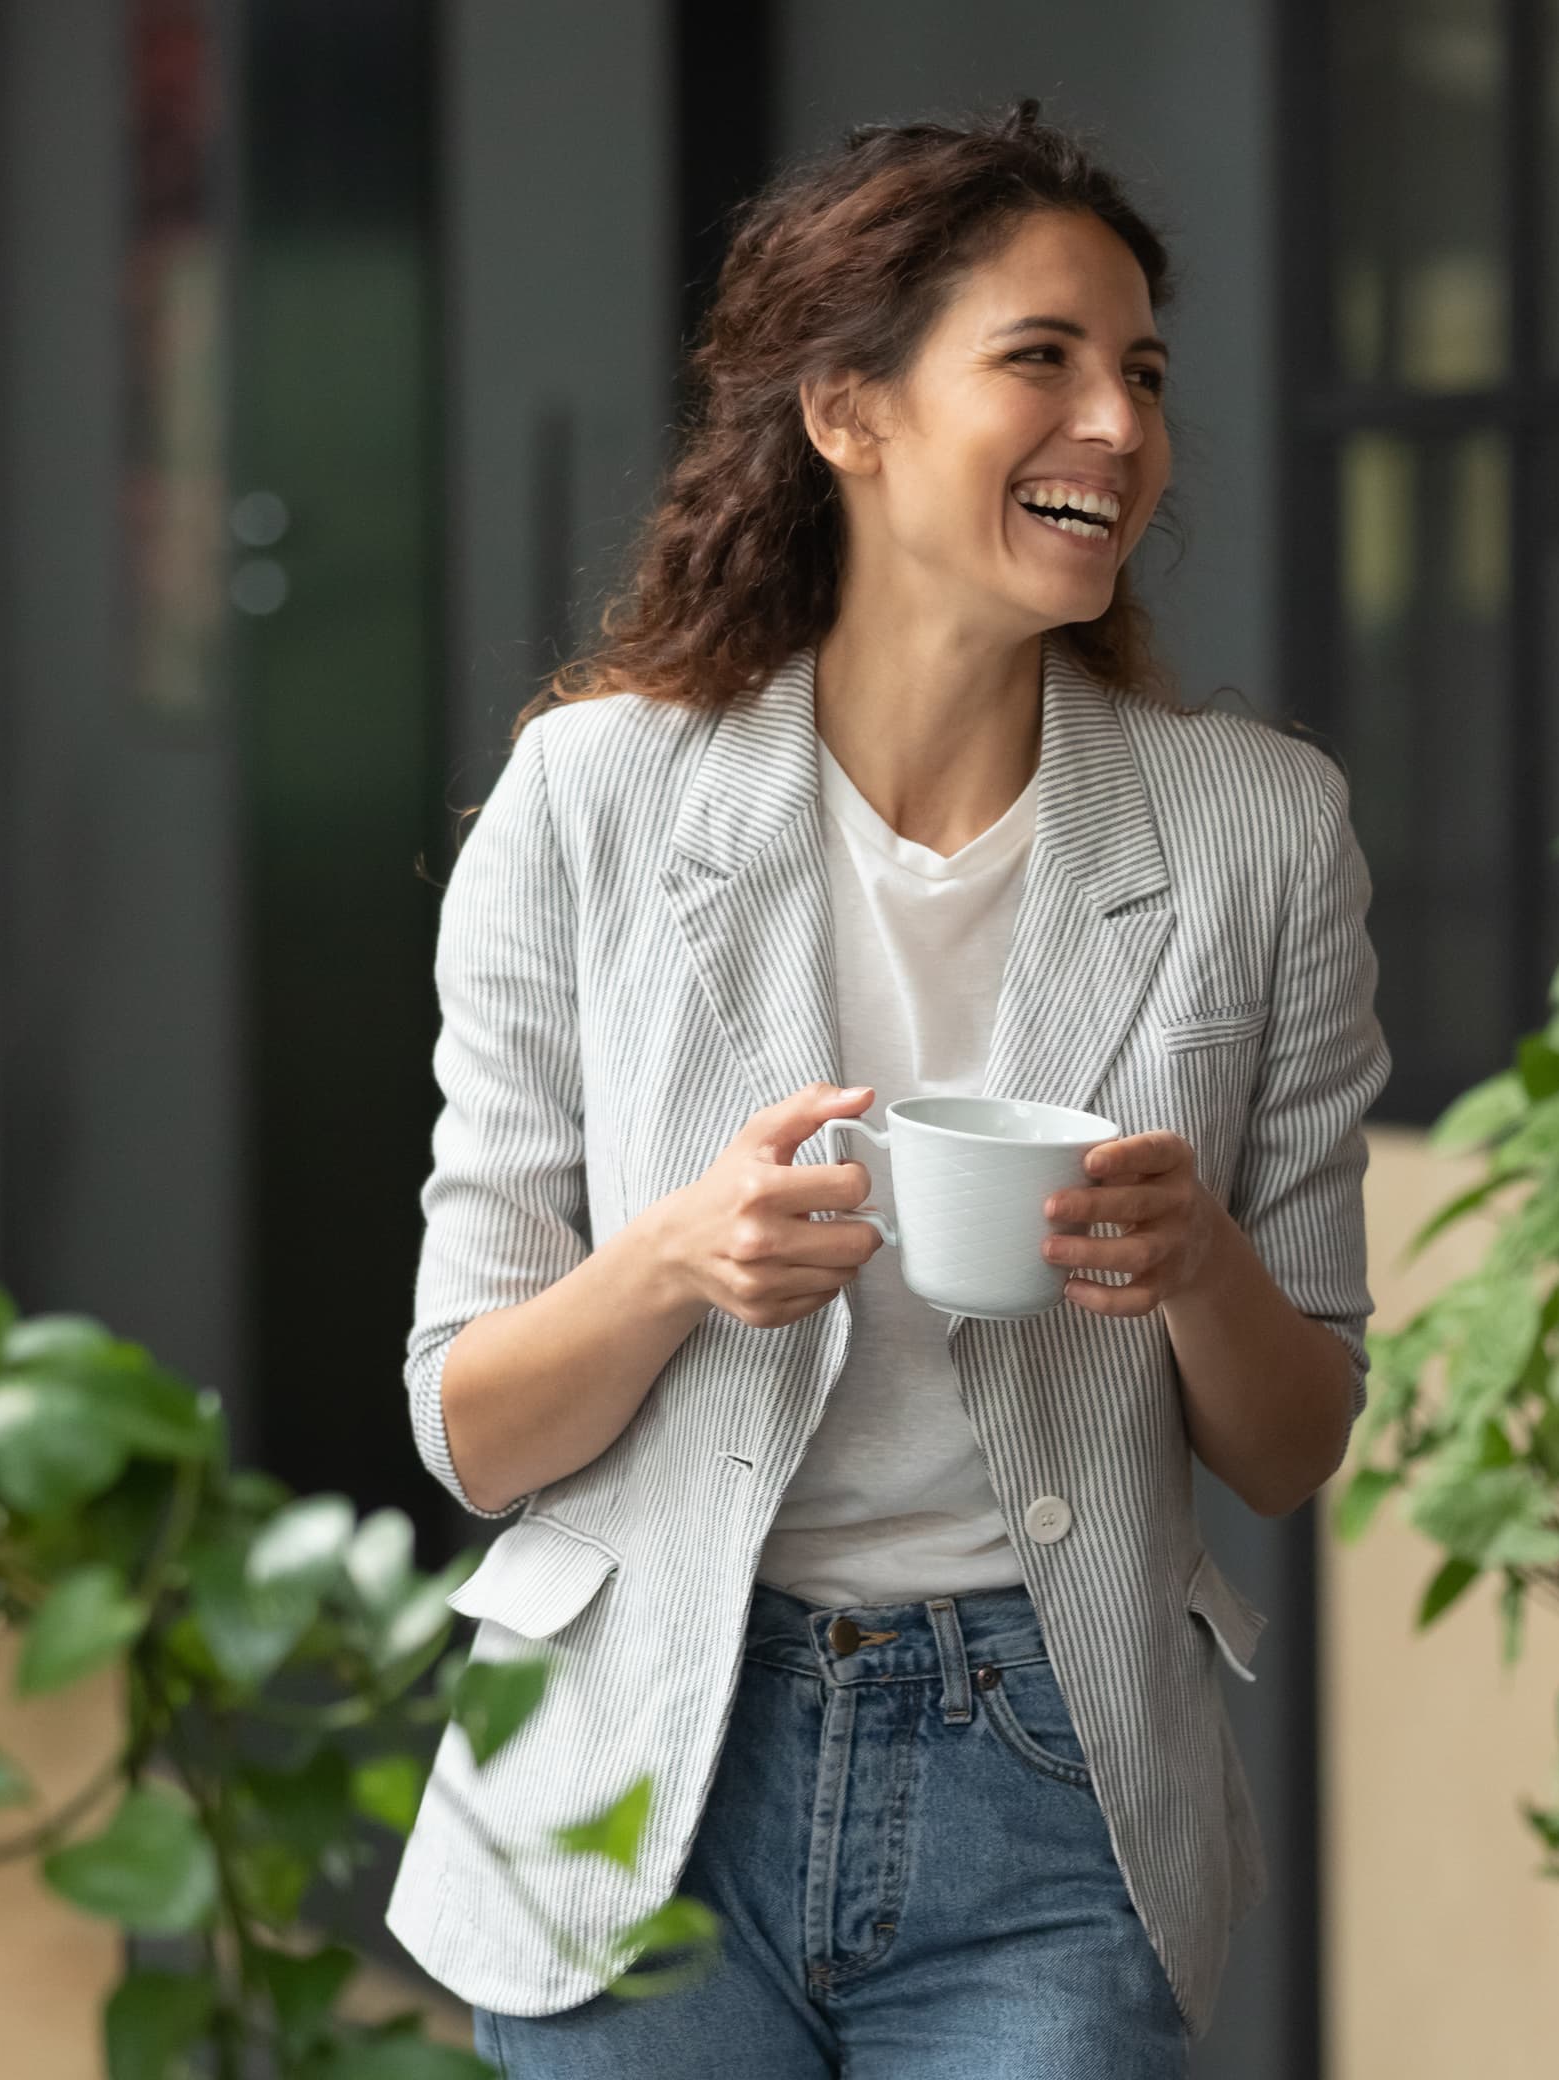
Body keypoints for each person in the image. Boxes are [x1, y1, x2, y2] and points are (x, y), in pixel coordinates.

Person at [383, 104, 1387, 2079]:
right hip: (640, 1769)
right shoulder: (592, 801)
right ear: (847, 412)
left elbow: (1292, 1444)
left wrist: (1197, 1264)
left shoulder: (1262, 831)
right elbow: (471, 1426)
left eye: (1146, 374)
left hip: (1052, 1779)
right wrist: (678, 1261)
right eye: (1043, 360)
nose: (1117, 422)